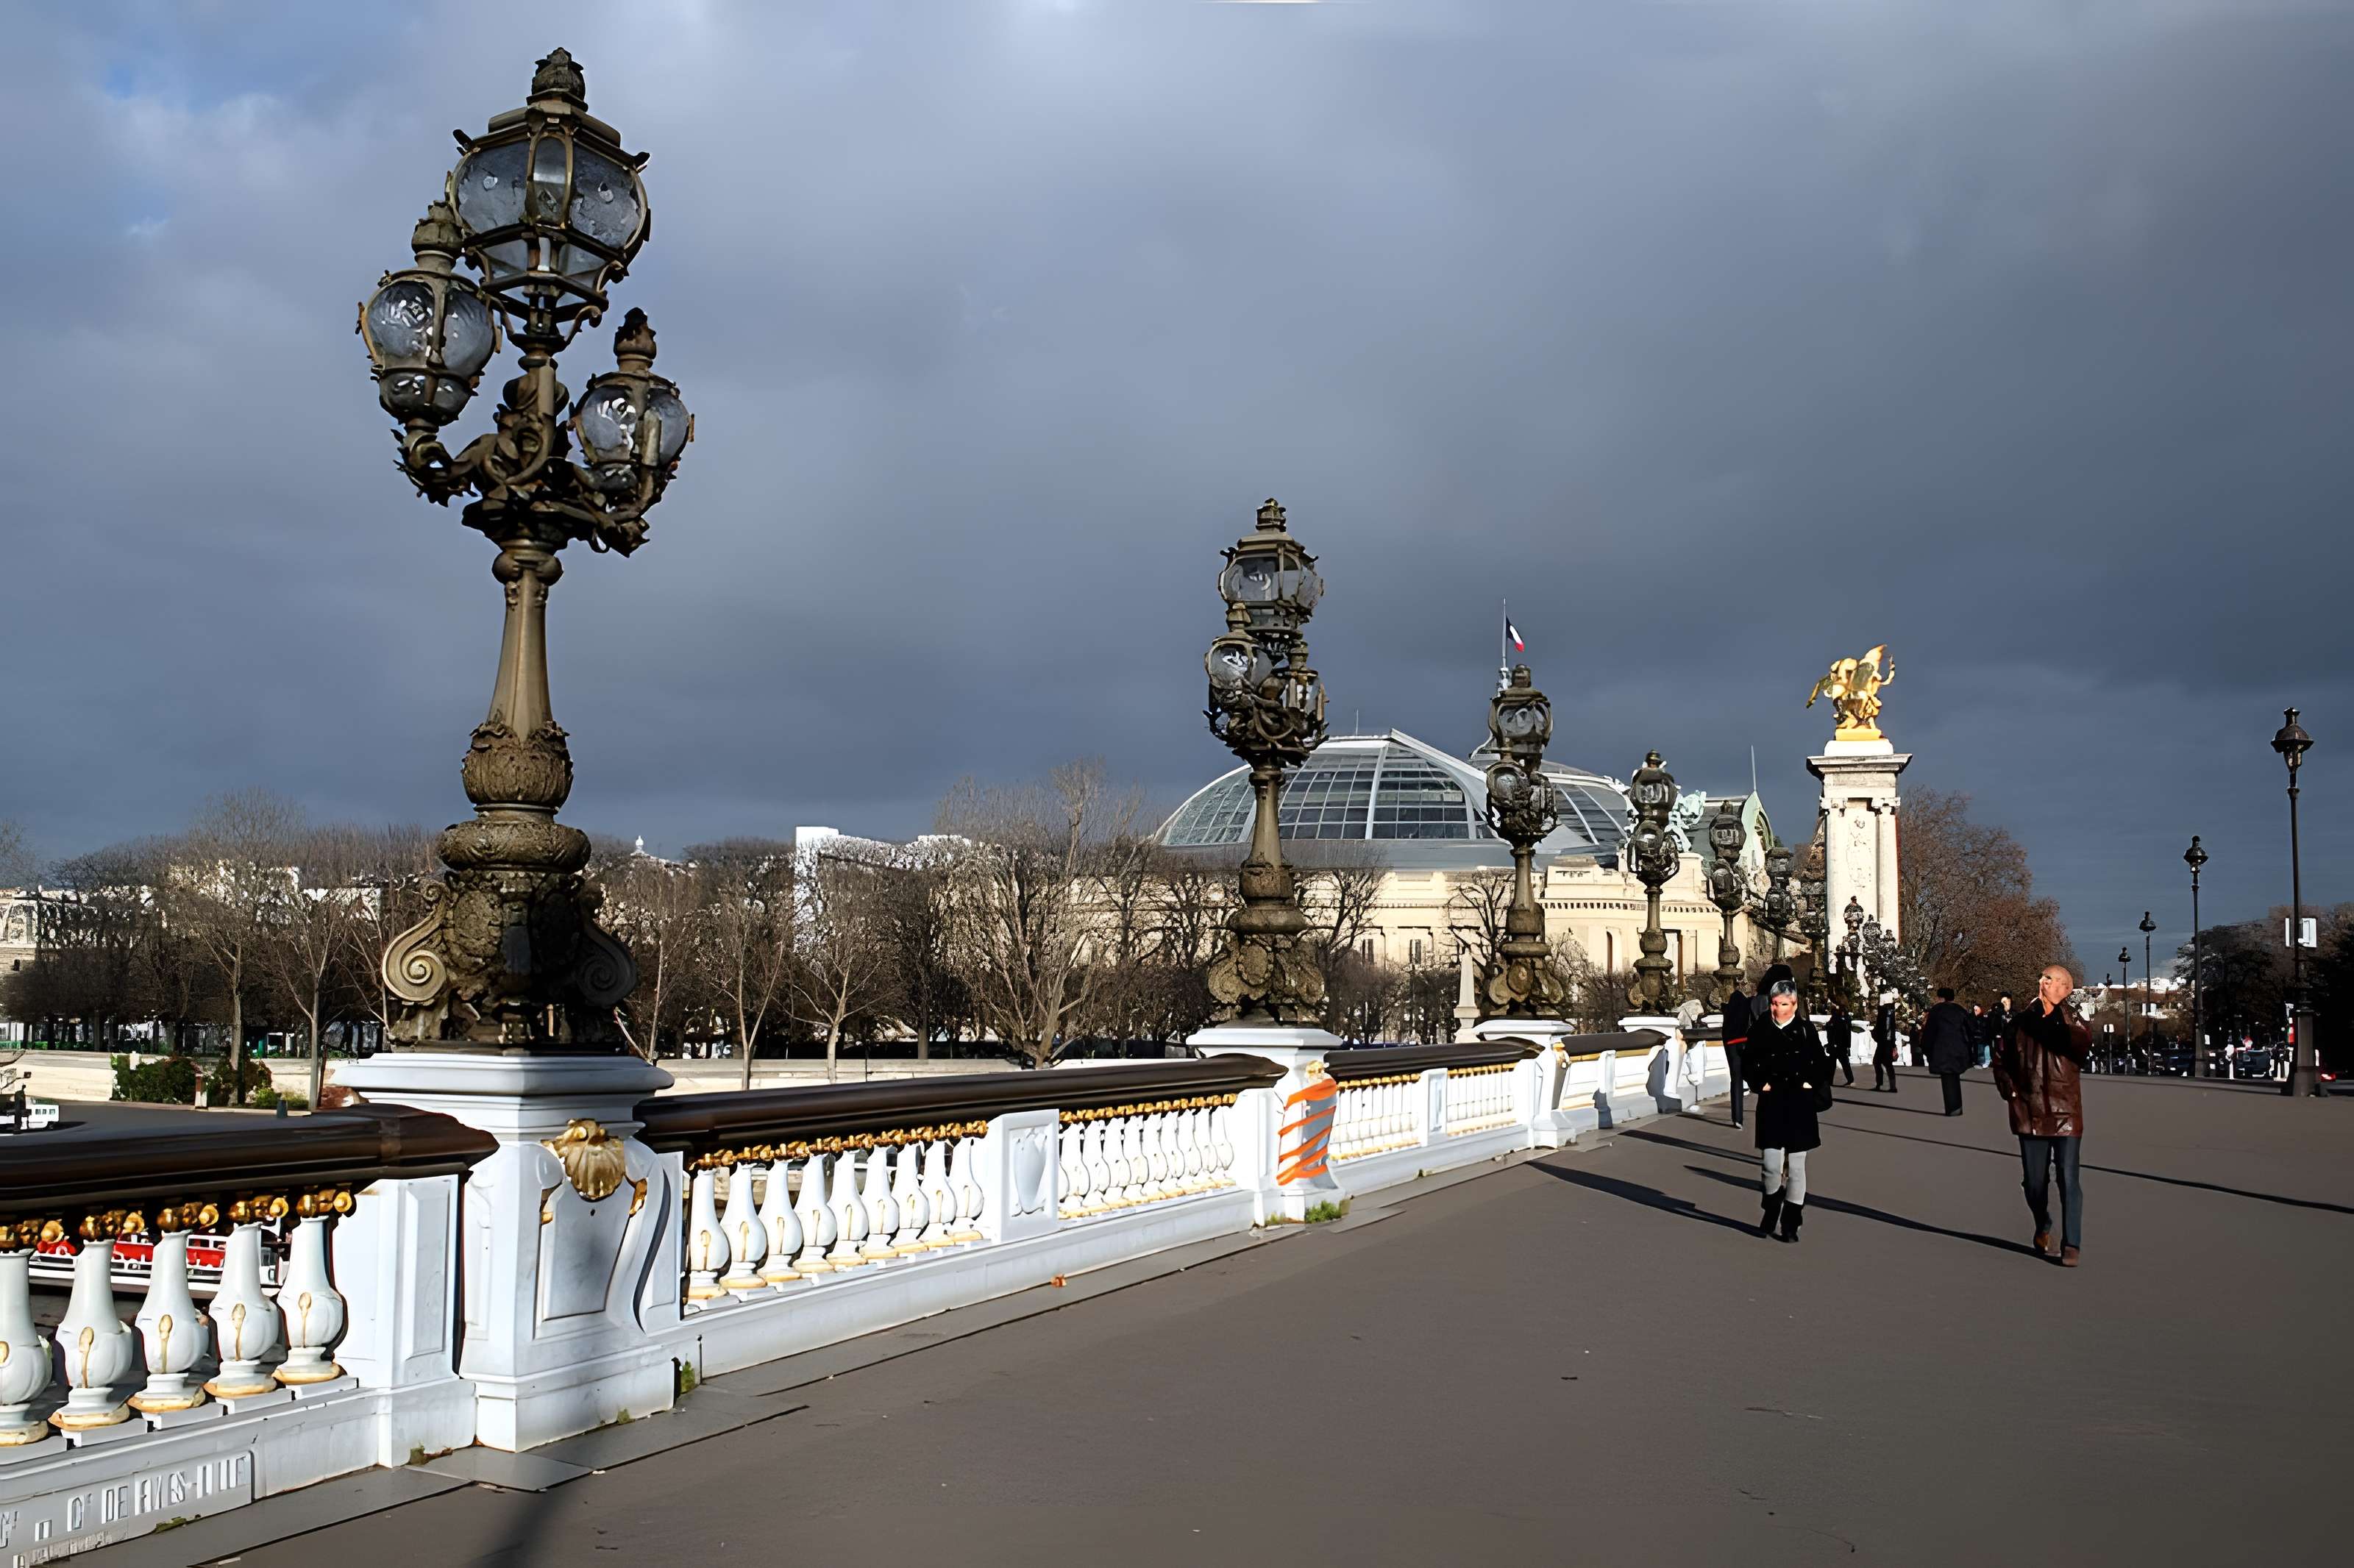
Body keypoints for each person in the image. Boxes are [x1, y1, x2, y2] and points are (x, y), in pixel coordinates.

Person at [1991, 964, 2094, 1266]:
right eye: (2044, 977)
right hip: (2029, 1111)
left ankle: (2072, 1243)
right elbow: (2000, 1060)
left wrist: (2052, 1020)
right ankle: (2043, 1222)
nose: (2043, 981)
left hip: (2066, 1112)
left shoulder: (2074, 1022)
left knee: (2068, 1178)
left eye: (2052, 979)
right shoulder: (2019, 1023)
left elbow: (2079, 1048)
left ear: (2066, 990)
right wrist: (2010, 1090)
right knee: (2034, 1183)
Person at [1745, 965, 1829, 1243]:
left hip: (1799, 1103)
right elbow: (1747, 1062)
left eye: (1784, 1004)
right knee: (1770, 1165)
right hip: (1772, 1102)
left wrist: (1810, 1081)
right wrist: (1759, 1083)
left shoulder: (1806, 1031)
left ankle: (1791, 1221)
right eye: (1774, 1003)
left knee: (1796, 1166)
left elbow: (1822, 1064)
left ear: (1794, 1004)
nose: (1778, 1009)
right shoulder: (1760, 1029)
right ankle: (1771, 1208)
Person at [1921, 988, 1973, 1116]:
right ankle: (1956, 1106)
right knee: (1953, 1075)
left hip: (1942, 1049)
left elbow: (1930, 1032)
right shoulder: (1960, 1010)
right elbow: (1970, 1029)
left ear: (1941, 997)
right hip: (1959, 1048)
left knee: (1948, 1076)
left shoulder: (1937, 1011)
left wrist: (1926, 1049)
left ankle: (1953, 1107)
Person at [1721, 981, 1752, 1130]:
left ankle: (1737, 1118)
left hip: (1732, 1045)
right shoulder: (1747, 1006)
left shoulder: (1729, 1014)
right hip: (1745, 1043)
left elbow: (1724, 1033)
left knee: (1736, 1080)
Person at [1870, 993, 1899, 1091]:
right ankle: (1889, 1085)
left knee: (1881, 1062)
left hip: (1884, 1042)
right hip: (1887, 1042)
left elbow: (1885, 1028)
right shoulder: (1889, 1011)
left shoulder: (1885, 1012)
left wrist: (1876, 1035)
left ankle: (1883, 1085)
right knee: (1885, 1063)